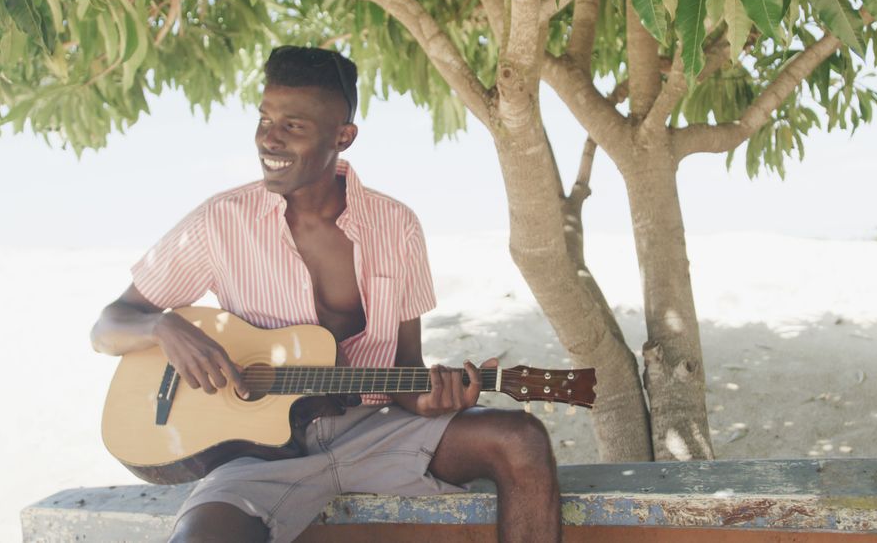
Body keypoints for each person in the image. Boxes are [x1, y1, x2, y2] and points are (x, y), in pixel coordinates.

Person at [90, 46, 561, 543]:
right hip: (257, 456)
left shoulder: (396, 226)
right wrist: (162, 327)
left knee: (520, 439)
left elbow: (406, 368)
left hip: (373, 431)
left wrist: (431, 401)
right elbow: (107, 327)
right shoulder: (219, 222)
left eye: (292, 125)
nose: (268, 138)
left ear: (344, 136)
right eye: (264, 119)